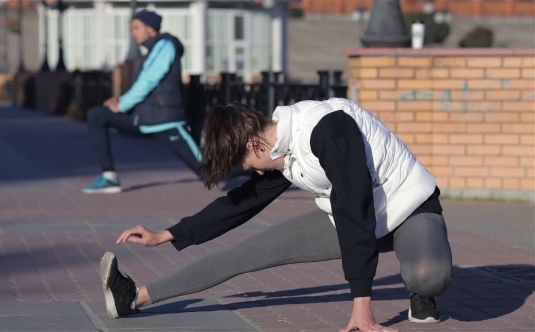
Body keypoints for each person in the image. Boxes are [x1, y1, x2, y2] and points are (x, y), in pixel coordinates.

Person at [100, 98, 453, 332]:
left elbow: (355, 208)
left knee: (428, 275)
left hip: (408, 208)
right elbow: (243, 202)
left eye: (245, 163)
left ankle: (420, 292)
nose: (252, 171)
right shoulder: (277, 148)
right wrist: (169, 234)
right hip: (351, 216)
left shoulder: (327, 130)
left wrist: (362, 307)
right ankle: (133, 297)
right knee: (245, 252)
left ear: (253, 143)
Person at [82, 10, 202, 194]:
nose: (133, 33)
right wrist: (120, 100)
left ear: (151, 28)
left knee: (209, 171)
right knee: (97, 115)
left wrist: (122, 105)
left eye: (137, 28)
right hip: (144, 119)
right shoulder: (153, 50)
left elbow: (148, 81)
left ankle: (256, 168)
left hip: (165, 121)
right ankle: (109, 178)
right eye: (132, 29)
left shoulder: (165, 45)